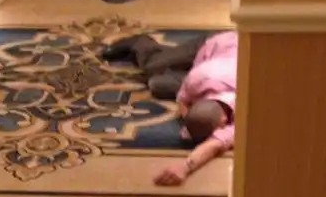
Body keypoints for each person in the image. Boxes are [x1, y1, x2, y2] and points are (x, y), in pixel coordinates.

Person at [102, 30, 238, 186]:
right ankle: (140, 42)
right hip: (215, 43)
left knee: (157, 83)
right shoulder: (196, 79)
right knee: (154, 67)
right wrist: (189, 117)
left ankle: (172, 61)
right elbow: (182, 101)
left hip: (223, 60)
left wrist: (185, 167)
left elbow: (216, 144)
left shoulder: (247, 108)